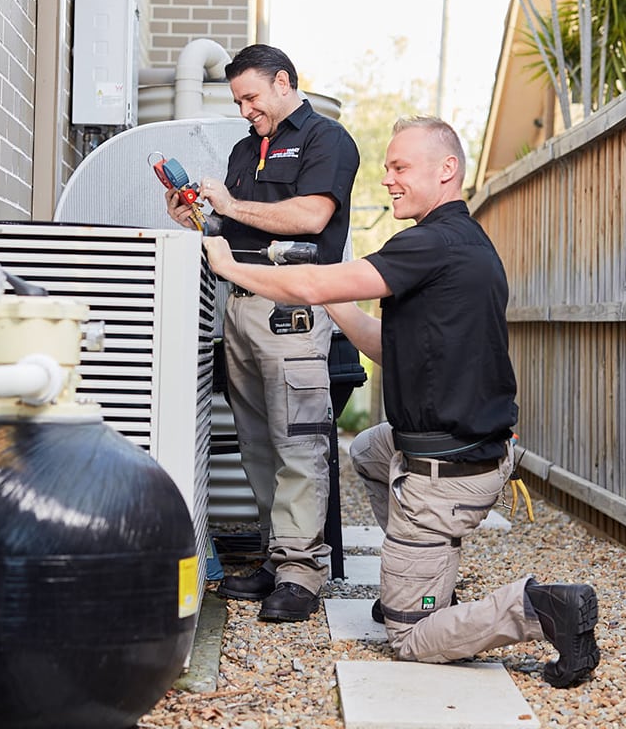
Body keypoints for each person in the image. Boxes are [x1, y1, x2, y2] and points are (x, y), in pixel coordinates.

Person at [200, 116, 600, 687]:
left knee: (407, 637)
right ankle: (427, 574)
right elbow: (386, 347)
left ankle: (541, 607)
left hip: (448, 471)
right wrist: (327, 289)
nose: (387, 179)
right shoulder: (461, 241)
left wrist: (231, 266)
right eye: (388, 166)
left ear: (447, 170)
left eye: (399, 167)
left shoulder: (430, 243)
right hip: (465, 448)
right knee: (366, 449)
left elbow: (311, 290)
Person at [165, 44, 360, 622]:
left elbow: (310, 217)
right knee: (256, 444)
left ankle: (302, 571)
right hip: (240, 304)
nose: (245, 109)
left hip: (292, 306)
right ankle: (278, 560)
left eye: (251, 97)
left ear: (283, 82)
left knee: (298, 441)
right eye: (237, 100)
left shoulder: (328, 140)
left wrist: (231, 203)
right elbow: (229, 222)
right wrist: (197, 215)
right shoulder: (243, 149)